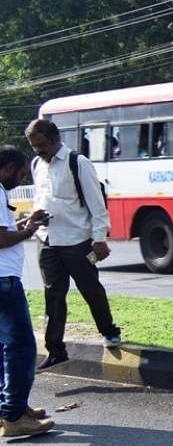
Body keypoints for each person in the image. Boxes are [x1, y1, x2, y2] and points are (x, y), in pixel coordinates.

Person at [25, 119, 121, 370]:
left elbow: (97, 204)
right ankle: (56, 349)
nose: (38, 151)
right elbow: (40, 197)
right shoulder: (38, 164)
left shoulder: (77, 163)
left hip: (78, 240)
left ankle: (109, 331)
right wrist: (36, 215)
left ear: (55, 139)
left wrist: (99, 239)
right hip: (47, 239)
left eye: (42, 145)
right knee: (53, 295)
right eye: (34, 147)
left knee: (90, 288)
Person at [0, 147, 55, 438]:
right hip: (3, 281)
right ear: (8, 167)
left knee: (3, 348)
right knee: (21, 347)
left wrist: (20, 226)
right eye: (20, 173)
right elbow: (1, 238)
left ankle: (8, 407)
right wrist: (27, 231)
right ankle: (14, 415)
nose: (20, 180)